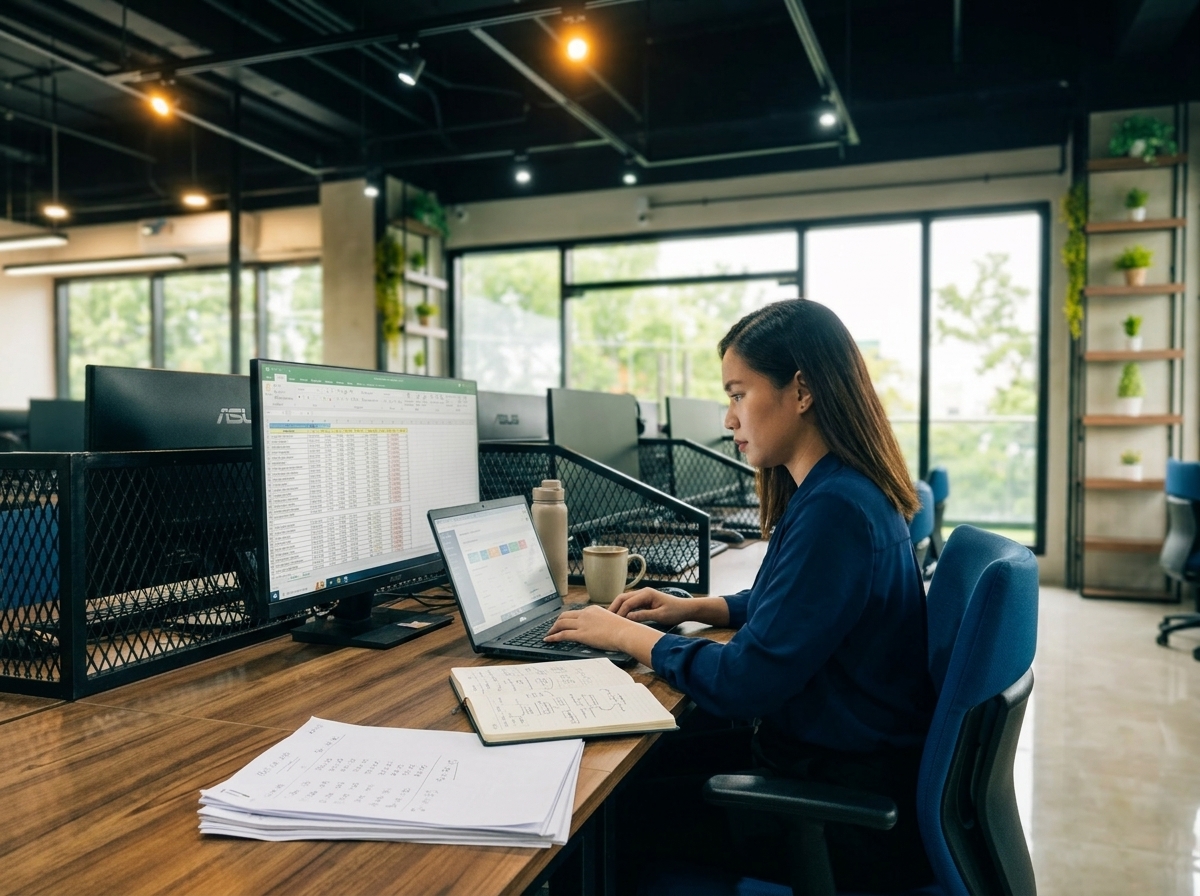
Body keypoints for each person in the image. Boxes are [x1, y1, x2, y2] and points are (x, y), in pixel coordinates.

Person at [545, 299, 937, 892]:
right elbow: (800, 601)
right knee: (632, 773)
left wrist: (627, 635)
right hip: (835, 766)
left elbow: (745, 682)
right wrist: (700, 608)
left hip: (834, 814)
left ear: (801, 390)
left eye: (737, 394)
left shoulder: (835, 511)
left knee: (599, 814)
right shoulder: (840, 491)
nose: (729, 419)